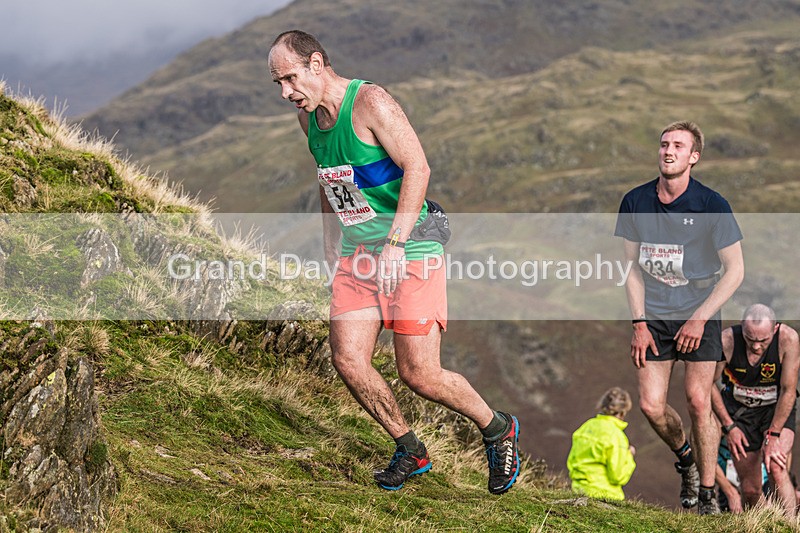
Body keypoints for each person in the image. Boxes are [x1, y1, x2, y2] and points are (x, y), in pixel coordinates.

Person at [267, 30, 520, 494]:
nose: (285, 92)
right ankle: (410, 448)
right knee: (348, 359)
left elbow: (418, 168)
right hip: (358, 254)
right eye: (278, 83)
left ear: (316, 63)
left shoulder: (371, 103)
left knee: (419, 374)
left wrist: (396, 244)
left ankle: (497, 428)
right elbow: (330, 183)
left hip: (411, 247)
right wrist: (331, 248)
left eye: (290, 78)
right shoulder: (309, 122)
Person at [614, 121, 744, 514]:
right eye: (664, 144)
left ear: (694, 157)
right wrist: (638, 323)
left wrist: (700, 319)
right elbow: (630, 268)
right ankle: (686, 459)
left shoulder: (711, 205)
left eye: (678, 146)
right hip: (654, 314)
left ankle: (707, 494)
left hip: (699, 308)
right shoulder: (635, 200)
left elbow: (735, 271)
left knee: (698, 401)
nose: (668, 151)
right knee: (651, 406)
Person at [711, 304, 799, 516]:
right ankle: (757, 525)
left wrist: (774, 434)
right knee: (750, 490)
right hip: (740, 414)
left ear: (775, 329)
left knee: (776, 467)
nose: (757, 347)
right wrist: (729, 426)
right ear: (742, 326)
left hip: (775, 410)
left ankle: (790, 526)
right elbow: (707, 384)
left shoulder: (788, 339)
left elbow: (788, 390)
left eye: (763, 341)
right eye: (750, 339)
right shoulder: (727, 341)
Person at [567, 387, 636, 501]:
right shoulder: (616, 436)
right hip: (606, 495)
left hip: (578, 490)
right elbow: (617, 476)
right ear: (623, 412)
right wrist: (629, 456)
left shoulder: (586, 427)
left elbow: (572, 461)